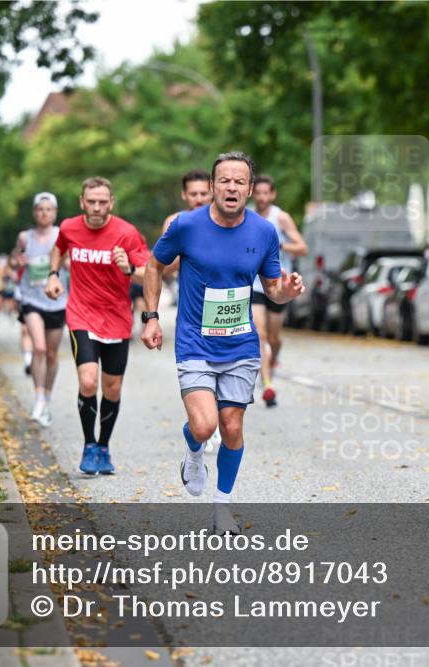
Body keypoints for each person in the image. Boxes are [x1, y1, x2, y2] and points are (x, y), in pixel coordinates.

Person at [141, 152, 304, 535]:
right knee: (203, 426)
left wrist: (288, 291)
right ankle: (193, 451)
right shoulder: (185, 226)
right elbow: (154, 265)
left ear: (250, 189)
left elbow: (272, 290)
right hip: (195, 342)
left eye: (239, 182)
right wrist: (151, 317)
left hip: (240, 346)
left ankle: (222, 509)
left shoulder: (264, 232)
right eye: (225, 181)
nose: (232, 188)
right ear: (213, 186)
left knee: (231, 428)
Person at [45, 177, 149, 476]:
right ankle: (89, 444)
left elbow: (148, 272)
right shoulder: (69, 227)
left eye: (102, 202)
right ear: (82, 202)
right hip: (81, 314)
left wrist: (128, 268)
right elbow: (58, 248)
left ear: (111, 203)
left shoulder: (126, 233)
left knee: (112, 388)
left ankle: (104, 446)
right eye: (91, 201)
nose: (96, 207)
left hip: (117, 318)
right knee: (88, 381)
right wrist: (53, 275)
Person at [162, 169, 218, 452]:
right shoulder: (177, 222)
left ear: (212, 192)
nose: (198, 199)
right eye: (193, 194)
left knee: (224, 365)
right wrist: (186, 250)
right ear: (184, 195)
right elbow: (163, 266)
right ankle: (203, 423)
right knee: (199, 368)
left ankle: (212, 421)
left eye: (203, 194)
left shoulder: (225, 220)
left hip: (226, 307)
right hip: (193, 308)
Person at [249, 175, 307, 407]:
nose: (262, 197)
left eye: (266, 193)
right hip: (255, 283)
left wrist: (279, 245)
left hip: (279, 284)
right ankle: (267, 385)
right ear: (253, 193)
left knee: (273, 338)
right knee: (260, 333)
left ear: (272, 195)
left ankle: (274, 356)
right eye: (258, 193)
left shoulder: (281, 218)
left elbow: (302, 247)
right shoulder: (247, 216)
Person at [13, 192, 68, 427]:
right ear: (34, 212)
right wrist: (17, 261)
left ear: (54, 213)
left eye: (48, 209)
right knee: (39, 348)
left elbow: (72, 265)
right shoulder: (25, 237)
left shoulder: (62, 235)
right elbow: (13, 260)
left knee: (52, 354)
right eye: (40, 209)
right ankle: (37, 398)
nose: (44, 213)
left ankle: (47, 396)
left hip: (57, 301)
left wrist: (64, 263)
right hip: (31, 298)